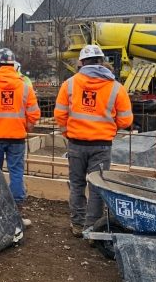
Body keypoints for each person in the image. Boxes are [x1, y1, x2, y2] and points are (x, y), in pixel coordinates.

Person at [53, 43, 133, 236]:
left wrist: (68, 133)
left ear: (81, 62)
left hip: (76, 144)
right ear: (102, 61)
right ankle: (92, 228)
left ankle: (78, 225)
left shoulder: (69, 84)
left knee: (77, 184)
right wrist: (109, 129)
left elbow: (59, 115)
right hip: (101, 145)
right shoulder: (116, 87)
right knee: (97, 187)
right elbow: (126, 119)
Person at [0, 47, 41, 203]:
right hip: (16, 138)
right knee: (16, 172)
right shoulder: (25, 87)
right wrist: (25, 127)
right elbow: (34, 114)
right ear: (13, 66)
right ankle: (17, 203)